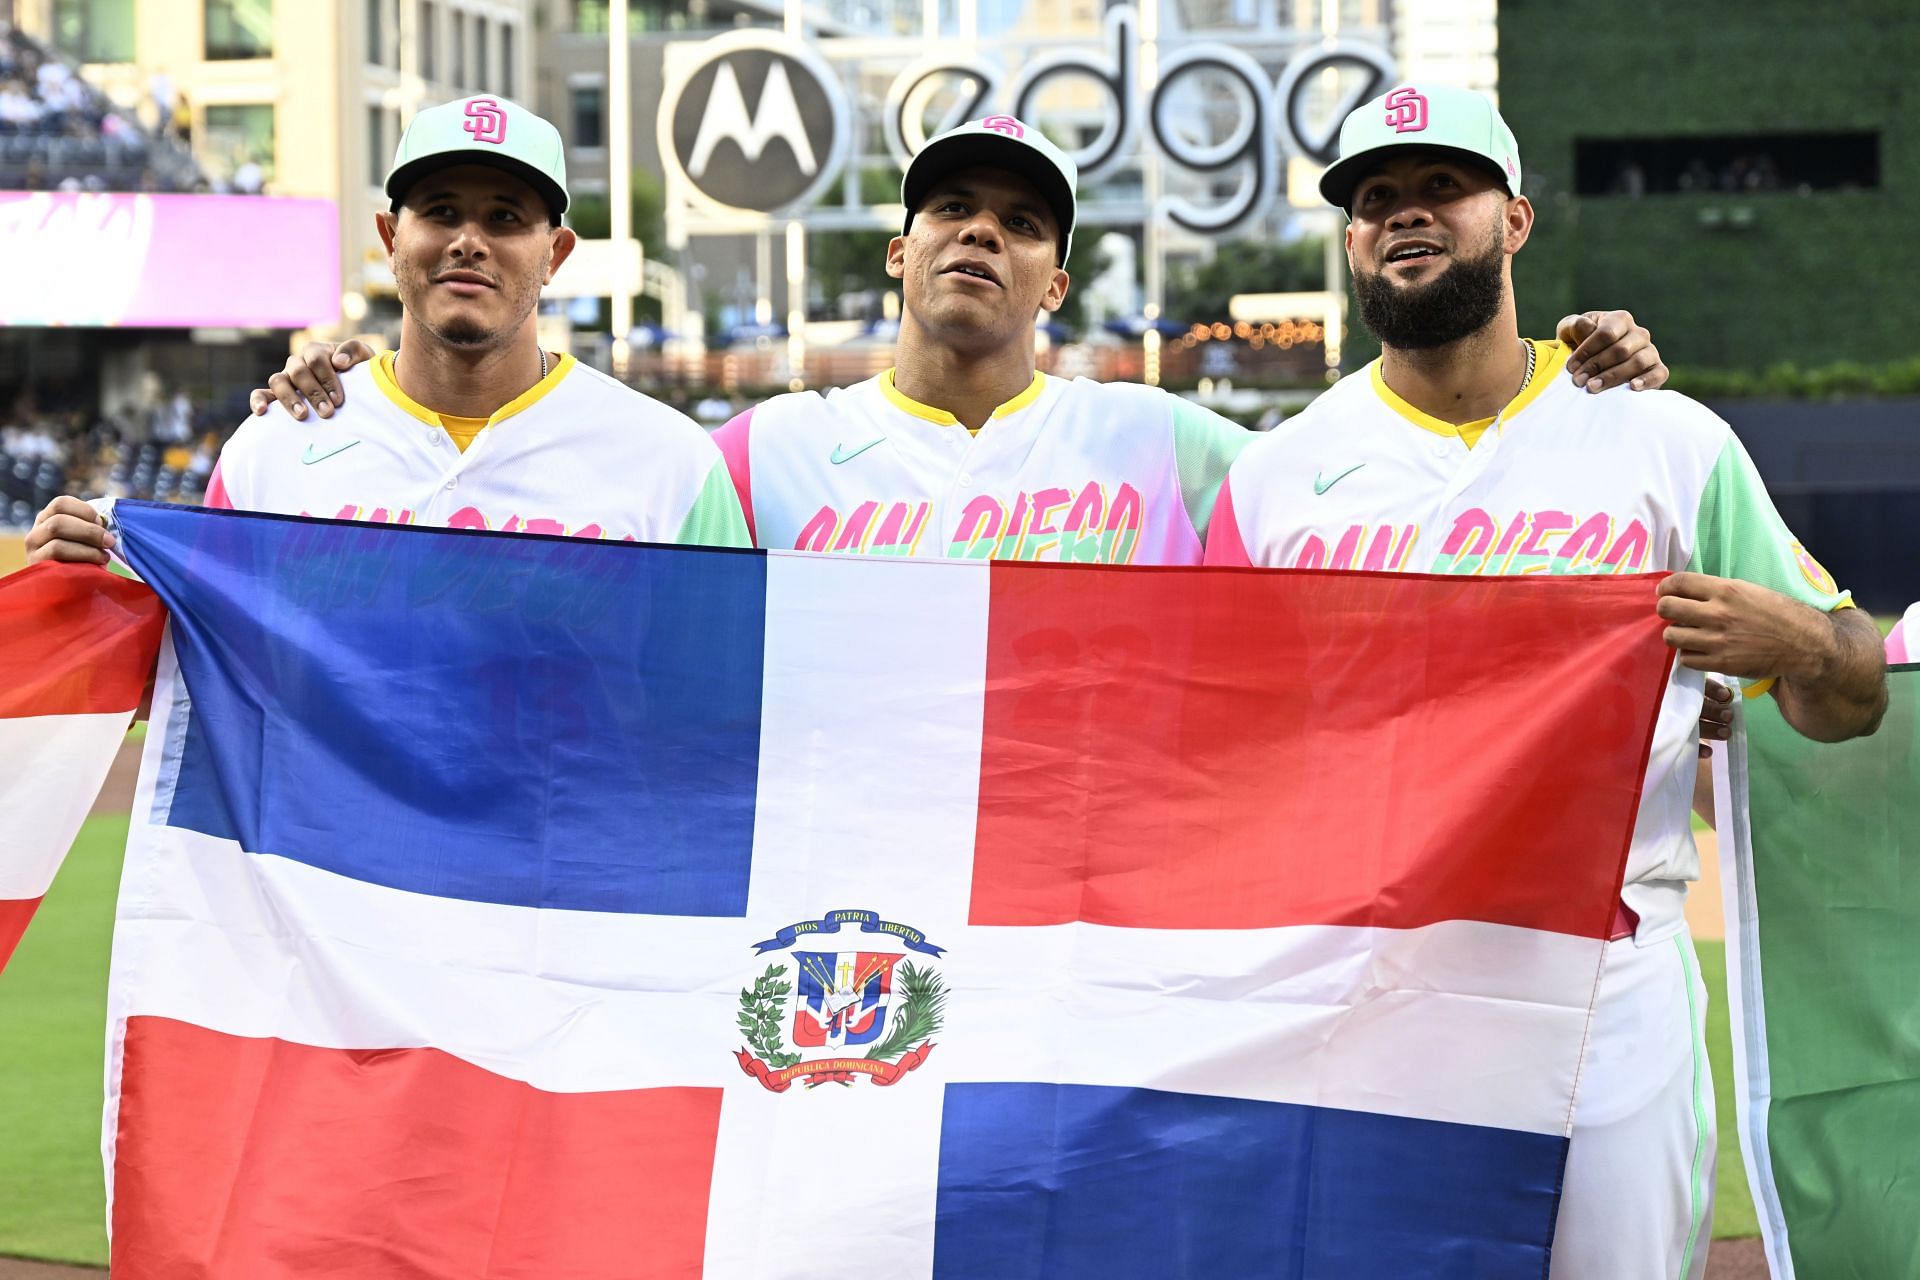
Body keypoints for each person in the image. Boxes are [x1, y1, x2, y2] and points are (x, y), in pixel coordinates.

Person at [1204, 83, 1888, 1279]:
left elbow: (1851, 695)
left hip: (1599, 977)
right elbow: (1215, 751)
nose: (1406, 215)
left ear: (1514, 220)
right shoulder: (1274, 478)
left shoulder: (1662, 440)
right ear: (1352, 242)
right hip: (1359, 984)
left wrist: (1801, 645)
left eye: (1441, 187)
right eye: (1375, 200)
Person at [245, 116, 1670, 566]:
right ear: (899, 252)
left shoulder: (1179, 447)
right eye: (949, 211)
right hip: (852, 895)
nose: (978, 235)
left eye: (1017, 222)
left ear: (1057, 276)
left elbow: (1389, 491)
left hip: (1093, 907)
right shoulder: (747, 457)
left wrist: (1567, 365)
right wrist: (326, 388)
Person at [27, 94, 747, 568]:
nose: (469, 239)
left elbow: (728, 703)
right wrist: (88, 584)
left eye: (505, 217)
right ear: (389, 237)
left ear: (554, 253)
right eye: (439, 210)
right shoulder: (278, 447)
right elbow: (209, 677)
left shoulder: (671, 463)